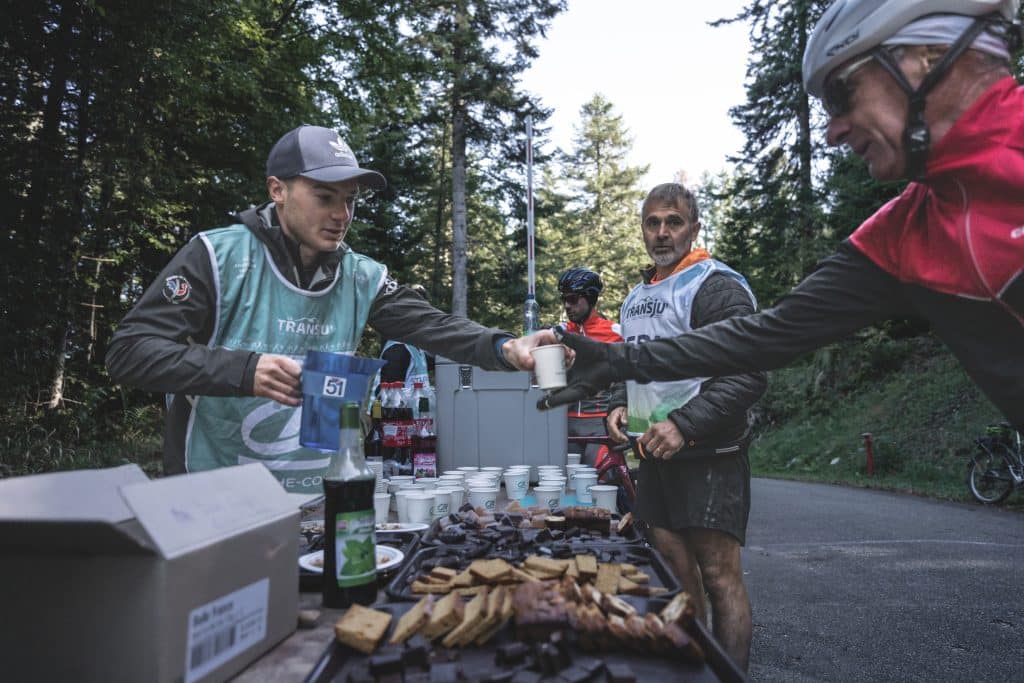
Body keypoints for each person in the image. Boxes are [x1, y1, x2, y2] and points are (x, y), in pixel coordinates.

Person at [536, 0, 1024, 436]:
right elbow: (766, 336)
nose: (833, 132)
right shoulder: (903, 233)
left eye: (841, 95)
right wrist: (621, 361)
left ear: (927, 59)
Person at [106, 124, 542, 493]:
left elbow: (433, 326)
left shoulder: (360, 275)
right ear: (277, 190)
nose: (341, 214)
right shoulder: (216, 256)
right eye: (324, 196)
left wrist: (504, 347)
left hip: (317, 502)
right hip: (214, 498)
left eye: (349, 199)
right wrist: (242, 370)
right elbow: (129, 352)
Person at [601, 184, 765, 671]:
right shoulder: (636, 297)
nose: (662, 232)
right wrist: (616, 403)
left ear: (694, 227)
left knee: (719, 577)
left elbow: (750, 373)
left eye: (673, 221)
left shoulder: (715, 286)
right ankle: (694, 671)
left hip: (708, 455)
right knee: (675, 574)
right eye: (652, 222)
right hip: (653, 457)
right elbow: (630, 365)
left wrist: (684, 426)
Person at [557, 267, 623, 467]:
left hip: (599, 422)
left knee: (603, 484)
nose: (567, 305)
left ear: (591, 298)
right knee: (567, 486)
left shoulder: (616, 332)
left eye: (573, 299)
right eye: (564, 300)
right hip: (564, 423)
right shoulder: (560, 333)